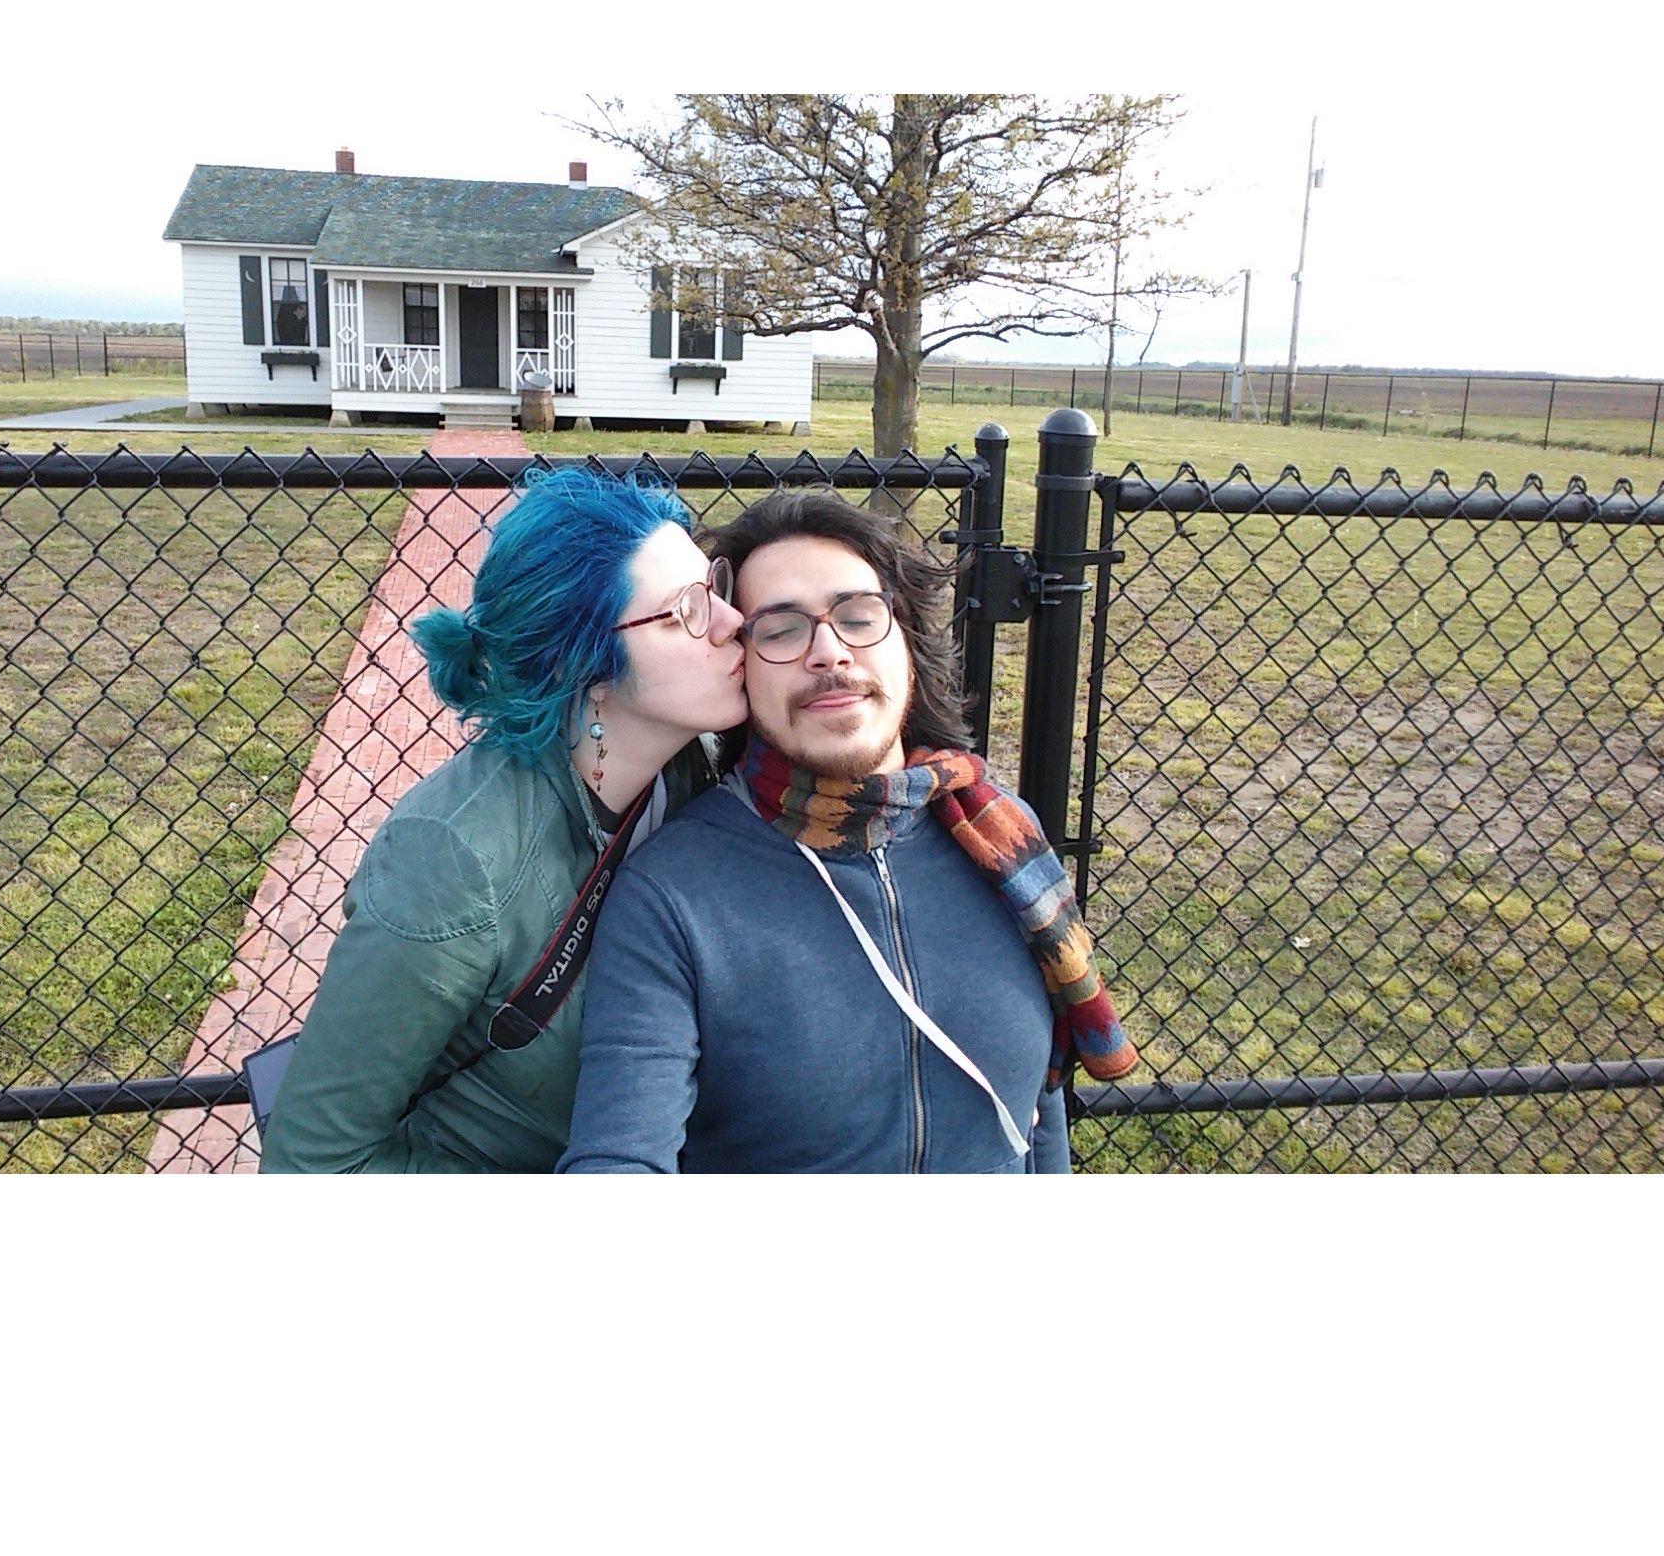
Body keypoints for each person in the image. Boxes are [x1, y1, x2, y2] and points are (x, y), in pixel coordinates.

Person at [557, 488, 1138, 1174]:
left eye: (859, 617)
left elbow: (1037, 1119)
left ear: (909, 645)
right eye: (779, 630)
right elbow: (621, 1155)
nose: (829, 653)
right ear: (740, 670)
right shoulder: (673, 895)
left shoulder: (1002, 838)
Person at [260, 467, 747, 1173]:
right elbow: (314, 1160)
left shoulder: (701, 766)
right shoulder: (454, 859)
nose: (734, 621)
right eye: (688, 610)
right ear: (587, 664)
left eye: (717, 586)